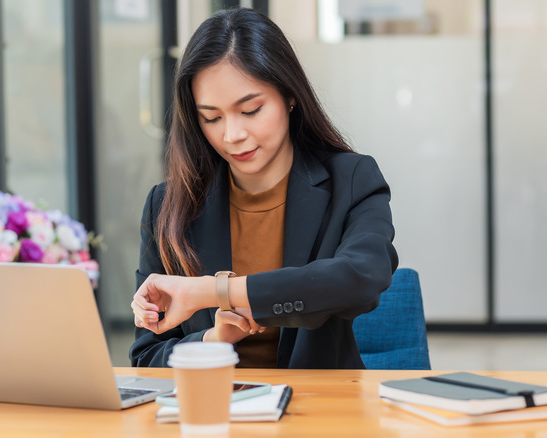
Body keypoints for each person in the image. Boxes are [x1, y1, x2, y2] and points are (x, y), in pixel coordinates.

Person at [130, 8, 398, 369]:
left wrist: (209, 292)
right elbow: (146, 357)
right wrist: (212, 341)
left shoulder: (350, 179)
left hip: (318, 412)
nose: (232, 135)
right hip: (214, 412)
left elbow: (361, 278)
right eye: (211, 117)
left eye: (251, 110)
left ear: (289, 95)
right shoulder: (168, 205)